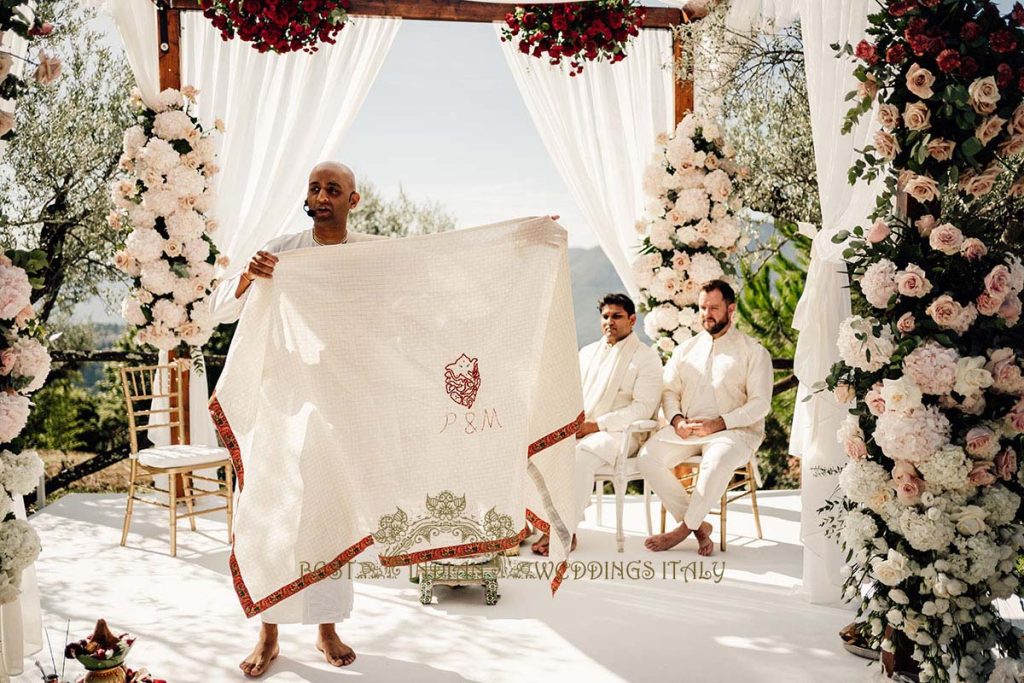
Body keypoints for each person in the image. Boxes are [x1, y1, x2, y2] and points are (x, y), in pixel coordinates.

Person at [210, 161, 385, 678]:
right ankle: (267, 632)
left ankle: (327, 627)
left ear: (353, 201)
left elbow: (435, 268)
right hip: (281, 399)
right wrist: (247, 276)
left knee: (330, 509)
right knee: (271, 508)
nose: (322, 195)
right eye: (314, 187)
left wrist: (525, 240)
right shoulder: (281, 251)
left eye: (334, 188)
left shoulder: (371, 255)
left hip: (341, 401)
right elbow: (222, 310)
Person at [637, 280, 772, 556]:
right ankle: (699, 526)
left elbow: (761, 404)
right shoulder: (684, 350)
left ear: (730, 309)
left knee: (718, 460)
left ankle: (683, 530)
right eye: (702, 307)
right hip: (688, 429)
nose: (706, 313)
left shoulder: (753, 351)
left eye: (713, 307)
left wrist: (720, 423)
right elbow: (669, 391)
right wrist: (676, 421)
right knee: (647, 457)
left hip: (734, 432)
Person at [531, 293, 662, 555]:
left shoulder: (646, 358)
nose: (609, 322)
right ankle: (532, 525)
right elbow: (570, 394)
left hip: (621, 434)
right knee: (538, 448)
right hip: (582, 429)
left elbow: (643, 408)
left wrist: (597, 425)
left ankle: (566, 531)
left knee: (580, 456)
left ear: (632, 319)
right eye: (605, 316)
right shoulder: (587, 353)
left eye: (617, 316)